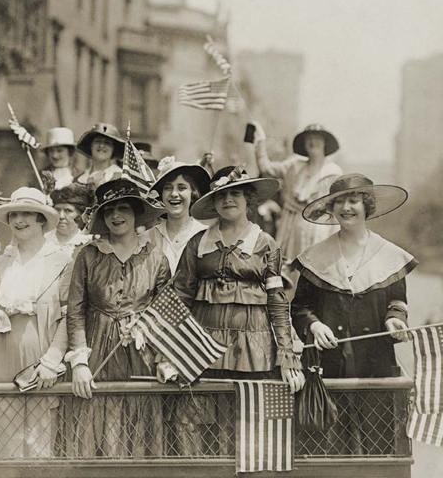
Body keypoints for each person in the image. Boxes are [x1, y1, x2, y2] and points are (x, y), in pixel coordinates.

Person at [170, 166, 305, 454]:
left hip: (253, 347)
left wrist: (287, 354)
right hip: (203, 345)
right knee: (192, 419)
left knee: (246, 424)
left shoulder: (266, 244)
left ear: (248, 200)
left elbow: (277, 301)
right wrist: (170, 351)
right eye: (221, 195)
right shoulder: (198, 243)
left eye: (235, 194)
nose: (228, 200)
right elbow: (179, 296)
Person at [291, 173, 417, 454]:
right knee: (326, 445)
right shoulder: (315, 257)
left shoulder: (389, 255)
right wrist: (314, 325)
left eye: (353, 200)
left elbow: (397, 300)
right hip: (326, 366)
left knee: (380, 442)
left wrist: (395, 319)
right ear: (331, 209)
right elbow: (300, 307)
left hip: (375, 364)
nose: (346, 208)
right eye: (339, 202)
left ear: (367, 206)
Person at [66, 178, 169, 457]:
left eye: (123, 208)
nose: (115, 216)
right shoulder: (88, 256)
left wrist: (163, 358)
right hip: (97, 348)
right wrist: (79, 362)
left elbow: (164, 313)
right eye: (108, 210)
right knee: (95, 423)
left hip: (141, 351)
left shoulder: (156, 258)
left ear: (136, 213)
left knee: (139, 421)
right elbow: (75, 310)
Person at [0, 187, 70, 458]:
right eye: (14, 214)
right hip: (0, 353)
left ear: (41, 218)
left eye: (27, 213)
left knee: (38, 441)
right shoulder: (0, 263)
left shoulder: (63, 261)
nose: (19, 220)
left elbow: (69, 317)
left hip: (40, 356)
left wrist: (52, 359)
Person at [252, 123, 343, 286]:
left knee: (316, 277)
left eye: (317, 139)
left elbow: (336, 211)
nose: (312, 142)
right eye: (309, 139)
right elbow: (266, 168)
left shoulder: (333, 173)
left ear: (325, 144)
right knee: (290, 276)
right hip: (291, 228)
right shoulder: (294, 166)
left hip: (320, 231)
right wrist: (260, 142)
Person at [146, 156, 210, 274]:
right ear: (161, 196)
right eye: (168, 188)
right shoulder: (147, 238)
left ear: (193, 194)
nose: (174, 194)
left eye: (182, 188)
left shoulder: (207, 235)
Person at [44, 184, 94, 255]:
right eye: (57, 210)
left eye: (68, 211)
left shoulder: (87, 244)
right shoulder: (42, 238)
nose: (61, 216)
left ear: (80, 214)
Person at [75, 123, 124, 189]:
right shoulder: (79, 180)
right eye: (97, 141)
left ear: (113, 149)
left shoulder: (121, 178)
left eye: (107, 143)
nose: (101, 146)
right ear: (90, 146)